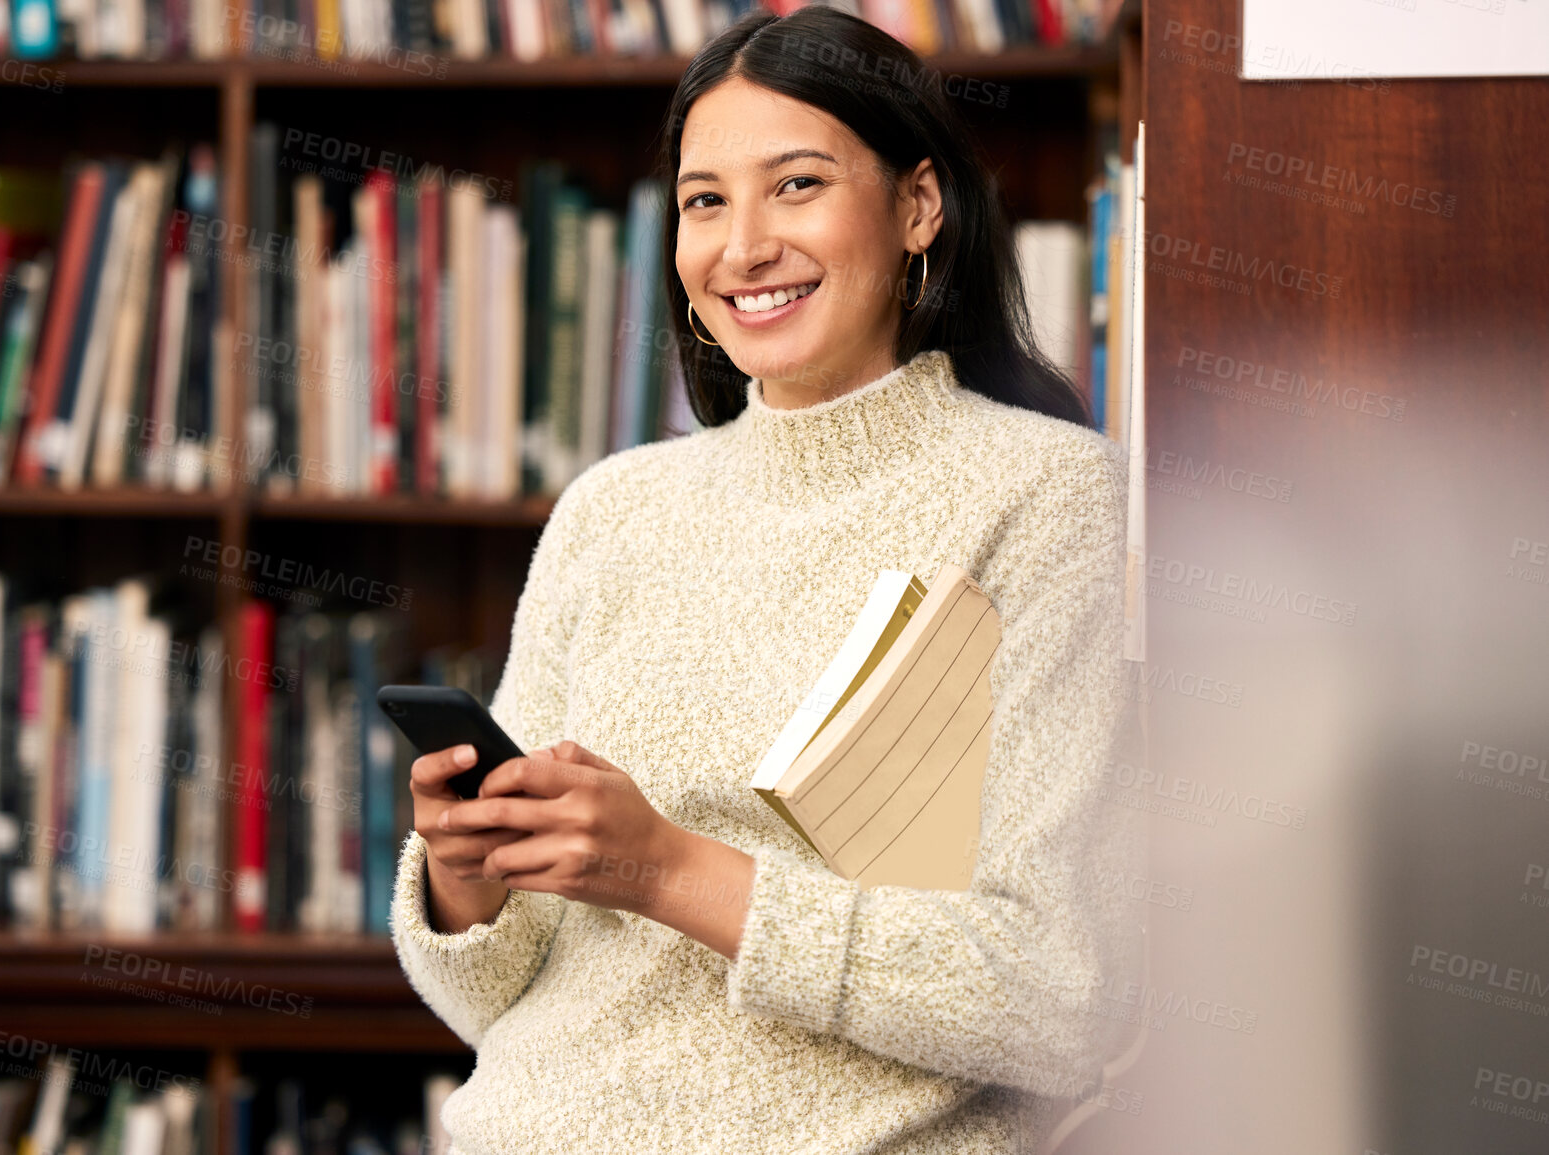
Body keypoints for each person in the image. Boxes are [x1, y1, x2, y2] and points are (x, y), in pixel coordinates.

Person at [390, 7, 1143, 1152]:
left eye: (795, 185)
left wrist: (670, 871)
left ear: (917, 206)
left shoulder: (1044, 499)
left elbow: (1052, 995)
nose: (742, 246)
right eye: (705, 201)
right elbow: (492, 1000)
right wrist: (467, 883)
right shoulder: (614, 510)